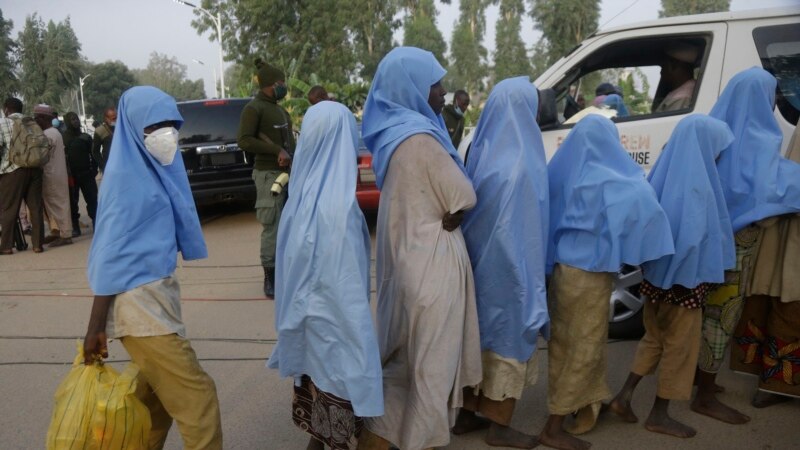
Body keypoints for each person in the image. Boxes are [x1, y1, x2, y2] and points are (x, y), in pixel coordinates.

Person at [82, 86, 223, 450]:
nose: (165, 135)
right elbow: (109, 257)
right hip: (141, 309)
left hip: (155, 300)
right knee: (198, 397)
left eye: (170, 124)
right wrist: (95, 328)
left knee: (154, 406)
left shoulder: (151, 173)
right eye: (154, 126)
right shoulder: (126, 183)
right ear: (132, 129)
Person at [356, 47, 482, 450]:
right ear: (413, 87)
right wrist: (457, 210)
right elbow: (463, 196)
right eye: (436, 84)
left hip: (405, 265)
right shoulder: (422, 139)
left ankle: (379, 439)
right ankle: (420, 441)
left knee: (400, 368)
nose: (444, 92)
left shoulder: (390, 139)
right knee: (432, 371)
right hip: (434, 269)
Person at [540, 115, 673, 450]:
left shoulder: (561, 173)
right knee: (585, 349)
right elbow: (647, 207)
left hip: (562, 272)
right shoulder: (616, 179)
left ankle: (582, 407)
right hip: (590, 277)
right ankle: (553, 426)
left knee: (563, 346)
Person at [609, 114, 735, 438]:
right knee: (681, 348)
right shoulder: (700, 187)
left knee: (653, 338)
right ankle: (660, 414)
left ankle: (623, 396)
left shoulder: (662, 176)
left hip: (656, 280)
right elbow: (695, 241)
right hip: (686, 284)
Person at [268, 101, 383, 450]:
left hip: (307, 322)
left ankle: (319, 441)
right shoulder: (340, 209)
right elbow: (346, 289)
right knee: (341, 379)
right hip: (336, 328)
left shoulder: (297, 203)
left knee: (318, 378)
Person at [692, 67, 800, 425]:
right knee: (721, 318)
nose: (774, 104)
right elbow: (776, 188)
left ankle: (695, 378)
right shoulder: (757, 141)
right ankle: (705, 396)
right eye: (772, 97)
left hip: (701, 240)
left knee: (698, 310)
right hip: (736, 246)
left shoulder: (713, 132)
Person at [456, 77, 549, 449]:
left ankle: (466, 414)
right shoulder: (523, 162)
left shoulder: (481, 154)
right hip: (512, 271)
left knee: (478, 338)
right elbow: (524, 229)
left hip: (478, 268)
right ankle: (499, 424)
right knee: (511, 340)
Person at [732, 123, 800, 406]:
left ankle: (776, 384)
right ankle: (777, 384)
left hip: (789, 228)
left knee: (787, 299)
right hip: (792, 229)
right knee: (788, 303)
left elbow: (788, 184)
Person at [237, 58, 295, 298]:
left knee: (288, 225)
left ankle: (286, 272)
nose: (284, 86)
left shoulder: (279, 109)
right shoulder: (254, 108)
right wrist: (275, 151)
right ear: (271, 84)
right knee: (272, 226)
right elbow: (244, 139)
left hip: (287, 175)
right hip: (267, 174)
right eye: (281, 82)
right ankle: (270, 278)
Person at [0, 97, 45, 254]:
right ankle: (38, 244)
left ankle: (6, 246)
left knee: (9, 208)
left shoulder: (3, 122)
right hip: (35, 168)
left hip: (13, 170)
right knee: (36, 207)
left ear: (6, 109)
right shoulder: (31, 122)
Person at [34, 104, 73, 247]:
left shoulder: (48, 134)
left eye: (37, 118)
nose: (35, 121)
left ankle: (65, 234)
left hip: (52, 175)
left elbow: (42, 156)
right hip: (55, 173)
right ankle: (56, 231)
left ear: (43, 118)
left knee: (58, 204)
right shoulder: (54, 132)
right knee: (52, 205)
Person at [63, 111, 98, 236]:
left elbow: (93, 154)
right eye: (73, 119)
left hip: (87, 174)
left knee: (93, 200)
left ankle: (96, 223)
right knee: (73, 202)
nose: (76, 121)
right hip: (72, 176)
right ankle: (75, 227)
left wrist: (94, 169)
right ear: (68, 122)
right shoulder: (63, 138)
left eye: (76, 119)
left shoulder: (85, 137)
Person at [653, 42, 699, 113]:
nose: (661, 72)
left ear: (673, 65)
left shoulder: (683, 97)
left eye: (663, 66)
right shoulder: (682, 92)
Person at [92, 106, 116, 172]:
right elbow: (95, 152)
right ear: (106, 119)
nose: (116, 121)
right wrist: (103, 166)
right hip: (109, 166)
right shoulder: (100, 131)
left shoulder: (120, 129)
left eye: (117, 118)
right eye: (113, 119)